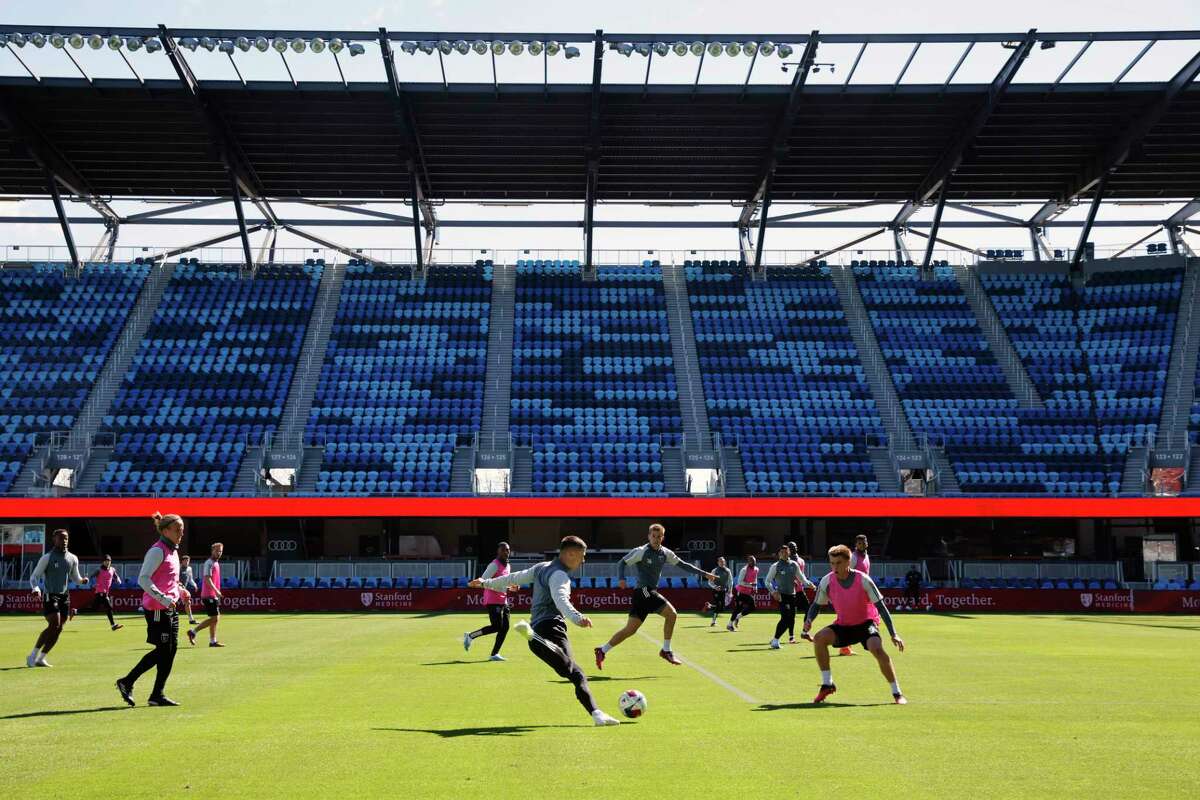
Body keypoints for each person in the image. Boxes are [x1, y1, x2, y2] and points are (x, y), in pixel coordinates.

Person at [470, 536, 621, 726]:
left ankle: (597, 714)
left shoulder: (542, 567)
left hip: (541, 630)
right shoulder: (560, 575)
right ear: (570, 554)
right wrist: (577, 617)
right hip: (552, 628)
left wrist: (485, 583)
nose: (583, 561)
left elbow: (514, 578)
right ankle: (533, 637)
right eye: (582, 556)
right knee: (574, 672)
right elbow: (561, 600)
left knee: (574, 673)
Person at [594, 524, 716, 669]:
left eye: (659, 537)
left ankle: (602, 650)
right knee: (672, 614)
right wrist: (621, 578)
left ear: (662, 538)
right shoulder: (641, 551)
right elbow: (622, 563)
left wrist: (705, 574)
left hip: (644, 594)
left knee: (630, 630)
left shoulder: (665, 553)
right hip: (644, 591)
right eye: (653, 536)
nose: (656, 539)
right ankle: (666, 650)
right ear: (649, 536)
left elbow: (683, 565)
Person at [802, 544, 907, 705]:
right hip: (843, 625)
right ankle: (827, 684)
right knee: (819, 638)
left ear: (848, 562)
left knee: (877, 648)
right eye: (832, 563)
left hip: (866, 624)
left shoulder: (863, 579)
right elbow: (816, 605)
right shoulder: (827, 581)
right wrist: (809, 620)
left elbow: (881, 608)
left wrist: (894, 634)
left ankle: (897, 693)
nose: (834, 567)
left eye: (838, 563)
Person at [115, 513, 185, 707]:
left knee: (170, 650)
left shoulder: (173, 551)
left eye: (182, 529)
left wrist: (181, 590)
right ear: (165, 530)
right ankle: (127, 682)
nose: (181, 533)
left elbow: (170, 580)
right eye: (177, 529)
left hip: (169, 607)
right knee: (164, 650)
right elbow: (143, 579)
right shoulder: (157, 551)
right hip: (157, 608)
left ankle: (156, 694)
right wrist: (163, 598)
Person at [27, 529, 87, 667]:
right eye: (61, 538)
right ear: (54, 540)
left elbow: (75, 577)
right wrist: (35, 588)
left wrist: (82, 581)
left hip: (64, 597)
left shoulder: (73, 558)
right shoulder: (47, 557)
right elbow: (34, 576)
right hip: (50, 595)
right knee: (54, 623)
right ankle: (32, 655)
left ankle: (41, 658)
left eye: (66, 538)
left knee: (59, 628)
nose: (64, 541)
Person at [463, 542, 513, 661]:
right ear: (498, 552)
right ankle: (470, 636)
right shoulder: (494, 565)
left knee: (505, 627)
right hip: (493, 600)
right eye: (504, 550)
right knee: (496, 627)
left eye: (508, 550)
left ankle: (494, 654)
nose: (506, 552)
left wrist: (512, 587)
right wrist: (475, 582)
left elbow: (504, 582)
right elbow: (483, 579)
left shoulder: (508, 566)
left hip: (503, 600)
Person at [766, 544, 816, 649]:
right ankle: (775, 641)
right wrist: (773, 591)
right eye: (782, 552)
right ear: (779, 554)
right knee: (785, 618)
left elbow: (802, 579)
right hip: (781, 596)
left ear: (789, 552)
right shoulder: (775, 566)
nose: (784, 553)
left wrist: (809, 584)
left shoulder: (794, 564)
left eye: (786, 551)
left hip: (792, 595)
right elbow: (767, 581)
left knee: (790, 619)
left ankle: (775, 639)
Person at [838, 534, 879, 655]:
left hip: (865, 592)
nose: (862, 545)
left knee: (869, 617)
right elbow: (846, 573)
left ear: (867, 543)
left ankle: (869, 641)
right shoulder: (854, 557)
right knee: (849, 618)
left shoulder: (866, 556)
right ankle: (845, 647)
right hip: (854, 592)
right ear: (856, 545)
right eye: (859, 543)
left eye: (864, 542)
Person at [188, 543, 225, 647]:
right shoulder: (209, 563)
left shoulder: (216, 563)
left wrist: (217, 594)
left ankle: (213, 641)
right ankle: (193, 632)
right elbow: (207, 579)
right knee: (215, 618)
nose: (219, 553)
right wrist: (216, 591)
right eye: (217, 551)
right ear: (212, 550)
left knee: (215, 618)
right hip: (208, 595)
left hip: (213, 595)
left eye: (221, 551)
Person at [85, 554, 123, 631]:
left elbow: (115, 576)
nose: (107, 562)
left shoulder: (112, 569)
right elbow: (91, 577)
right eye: (106, 561)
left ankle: (76, 611)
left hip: (105, 593)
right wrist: (92, 584)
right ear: (103, 562)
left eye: (109, 561)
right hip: (100, 592)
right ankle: (113, 625)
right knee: (109, 608)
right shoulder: (99, 570)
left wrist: (118, 579)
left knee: (94, 609)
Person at [727, 555, 759, 631]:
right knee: (738, 608)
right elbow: (740, 582)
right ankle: (730, 625)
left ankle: (737, 617)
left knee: (752, 607)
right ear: (748, 562)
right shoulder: (744, 570)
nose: (754, 562)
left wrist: (755, 587)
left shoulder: (756, 569)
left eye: (754, 561)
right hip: (740, 592)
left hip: (748, 592)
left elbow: (755, 579)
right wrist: (751, 585)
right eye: (752, 561)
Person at [704, 556, 734, 626]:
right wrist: (715, 587)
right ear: (718, 563)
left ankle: (710, 606)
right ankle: (713, 621)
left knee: (722, 607)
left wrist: (730, 590)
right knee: (718, 605)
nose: (722, 563)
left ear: (725, 562)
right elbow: (709, 582)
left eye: (723, 561)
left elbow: (730, 581)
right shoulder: (714, 571)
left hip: (724, 590)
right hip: (716, 591)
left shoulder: (728, 571)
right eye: (720, 561)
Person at [179, 555, 199, 626]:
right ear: (182, 561)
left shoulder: (189, 569)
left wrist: (195, 585)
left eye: (188, 561)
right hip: (175, 588)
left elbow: (190, 579)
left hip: (183, 589)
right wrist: (178, 583)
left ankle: (191, 620)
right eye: (185, 561)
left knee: (188, 602)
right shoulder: (178, 568)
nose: (187, 562)